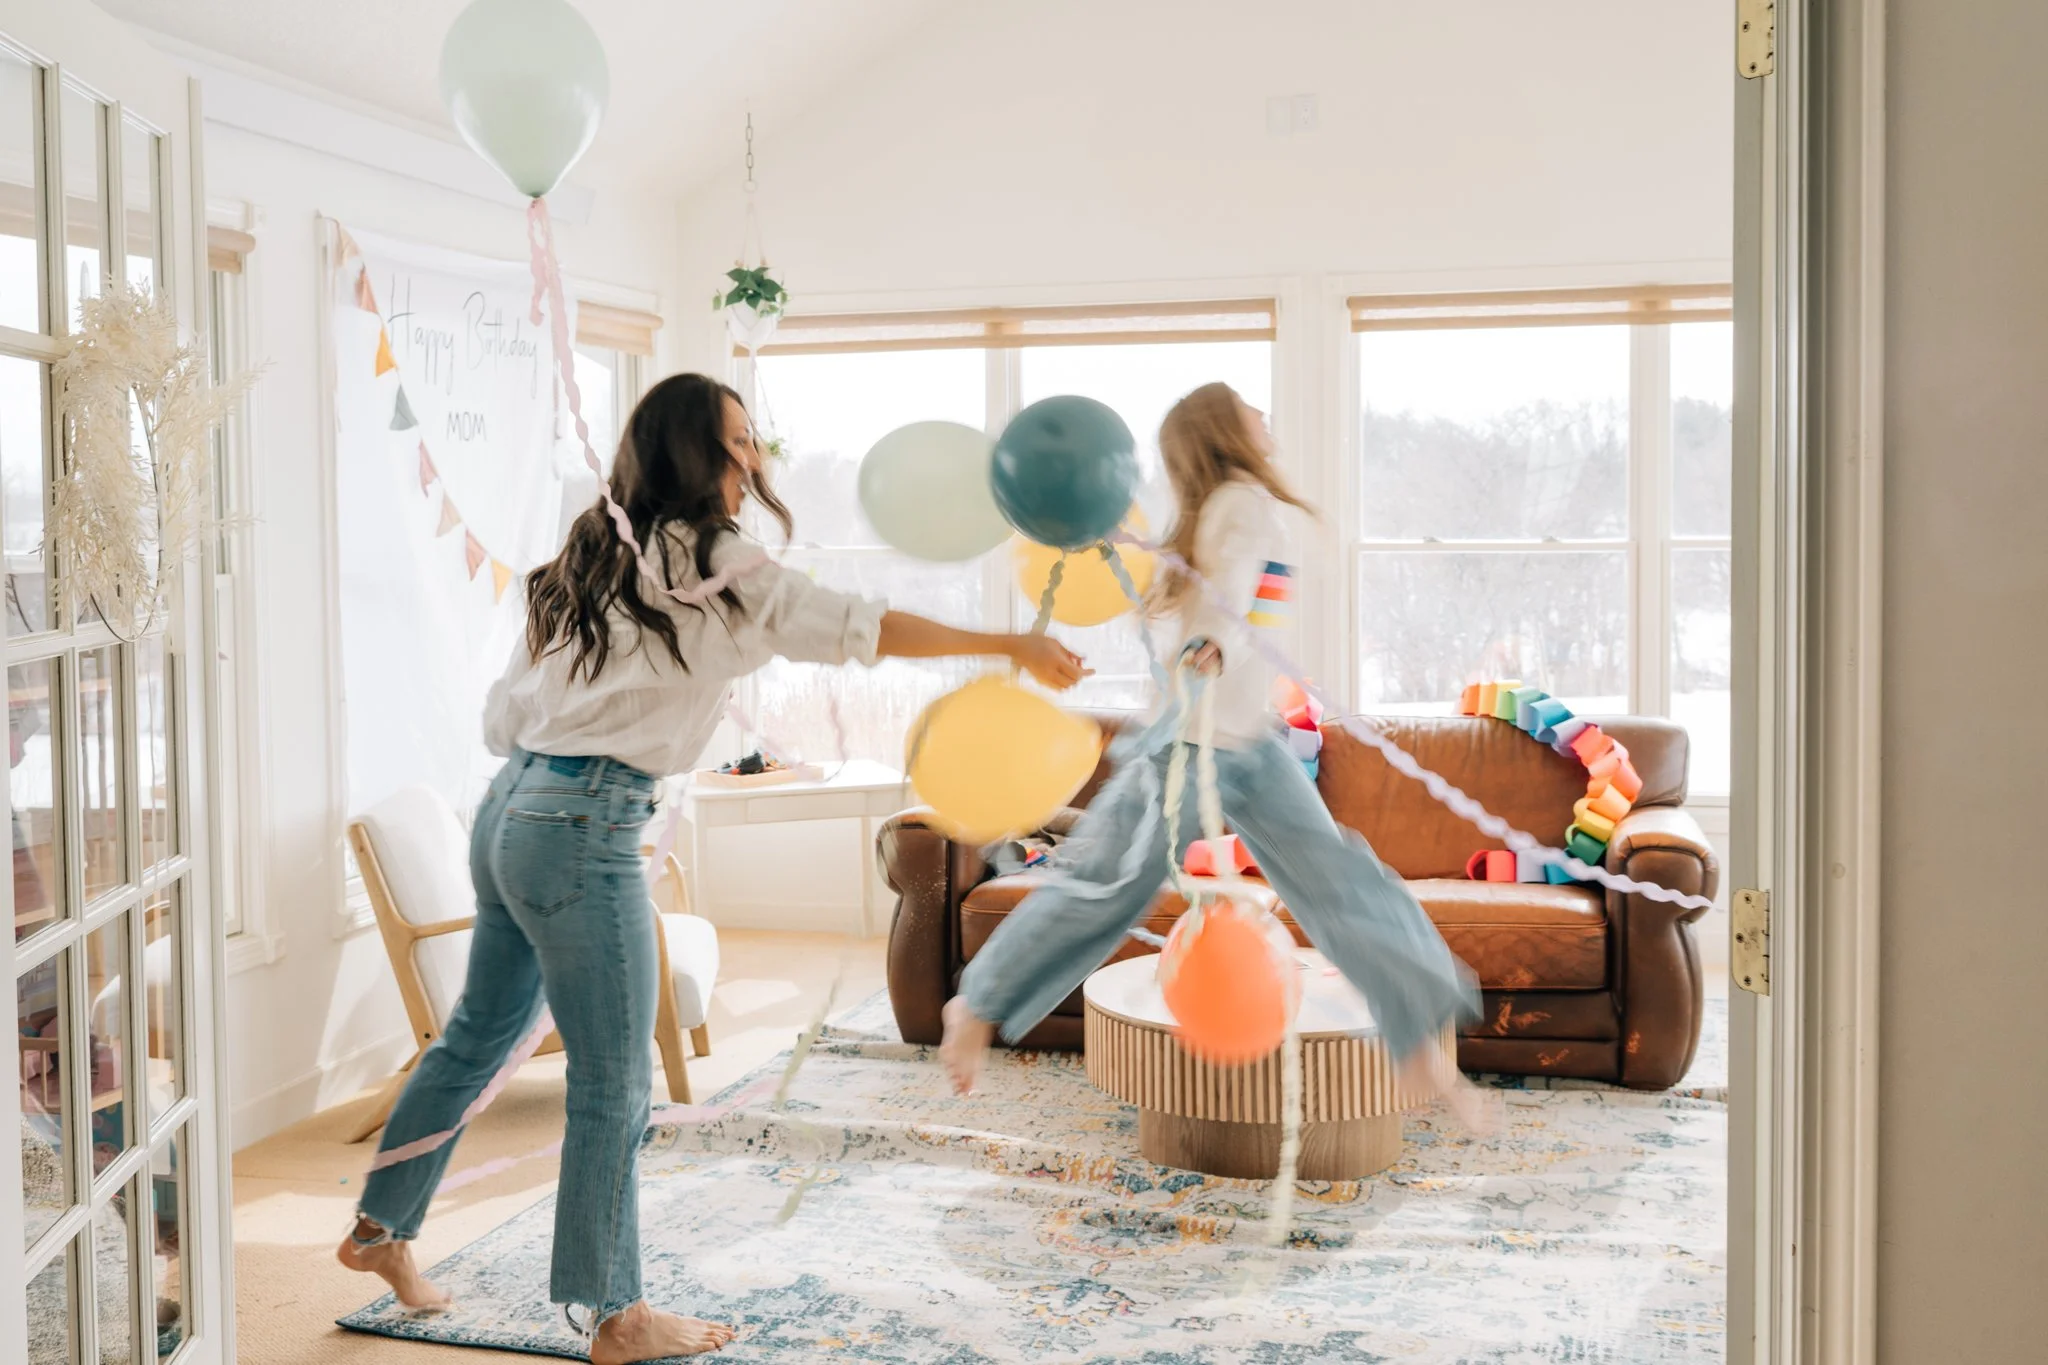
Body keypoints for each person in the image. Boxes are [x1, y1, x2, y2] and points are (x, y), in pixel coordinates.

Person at [337, 373, 1087, 1363]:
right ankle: (617, 1315)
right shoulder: (711, 556)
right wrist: (1005, 643)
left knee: (473, 1037)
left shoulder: (600, 546)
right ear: (697, 452)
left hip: (510, 806)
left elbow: (506, 708)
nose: (755, 457)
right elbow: (851, 626)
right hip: (580, 821)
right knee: (613, 1082)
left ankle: (377, 1231)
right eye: (739, 440)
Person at [939, 381, 1494, 1133]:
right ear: (1224, 431)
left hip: (1244, 737)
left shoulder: (1227, 508)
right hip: (1190, 737)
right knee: (1107, 882)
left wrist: (1214, 644)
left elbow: (1229, 594)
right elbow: (1231, 593)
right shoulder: (1239, 502)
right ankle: (978, 1001)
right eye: (1249, 408)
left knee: (1335, 877)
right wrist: (1213, 648)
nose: (1265, 416)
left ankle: (1418, 1035)